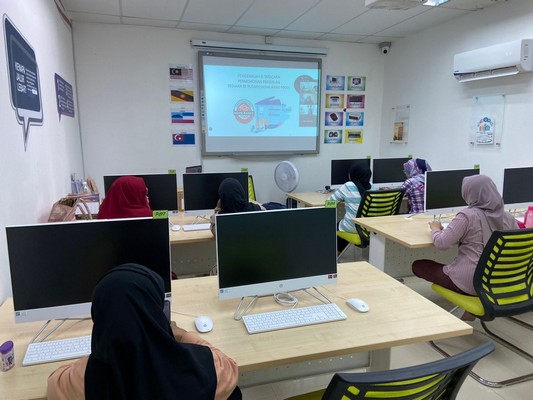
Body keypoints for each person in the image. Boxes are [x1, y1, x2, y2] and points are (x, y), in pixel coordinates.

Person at [46, 263, 240, 400]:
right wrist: (183, 335)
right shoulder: (205, 368)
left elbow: (54, 384)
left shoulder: (84, 380)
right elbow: (229, 367)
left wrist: (104, 345)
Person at [412, 175, 518, 320]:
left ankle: (466, 302)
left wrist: (435, 228)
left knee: (418, 265)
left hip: (472, 282)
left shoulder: (467, 216)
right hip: (497, 281)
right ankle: (471, 311)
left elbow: (441, 243)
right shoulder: (508, 217)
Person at [328, 162, 372, 253]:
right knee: (344, 225)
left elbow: (329, 204)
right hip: (370, 228)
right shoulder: (372, 187)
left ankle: (335, 256)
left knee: (336, 227)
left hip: (354, 227)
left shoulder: (348, 186)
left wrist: (343, 199)